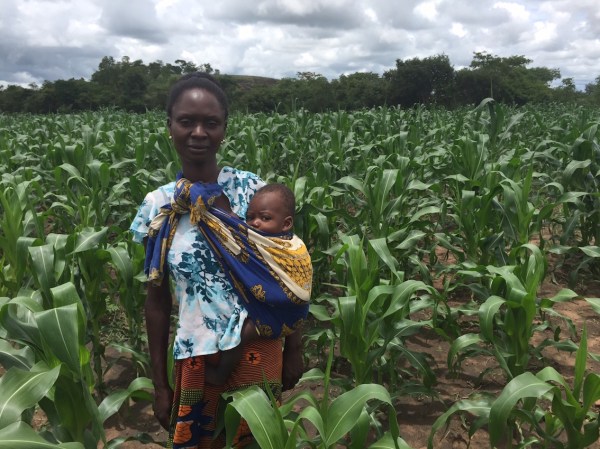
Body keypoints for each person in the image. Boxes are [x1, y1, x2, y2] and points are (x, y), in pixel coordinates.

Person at [129, 72, 304, 449]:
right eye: (186, 121)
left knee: (253, 441)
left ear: (224, 128)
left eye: (210, 122)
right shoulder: (158, 207)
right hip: (198, 358)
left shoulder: (252, 192)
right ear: (170, 126)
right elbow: (157, 302)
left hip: (259, 346)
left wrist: (296, 349)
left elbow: (289, 272)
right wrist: (160, 385)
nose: (198, 132)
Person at [204, 182, 306, 385]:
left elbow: (297, 282)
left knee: (239, 337)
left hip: (281, 313)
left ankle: (219, 375)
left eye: (265, 218)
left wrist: (294, 348)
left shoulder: (290, 247)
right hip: (272, 309)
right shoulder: (257, 242)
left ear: (286, 224)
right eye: (249, 218)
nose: (254, 223)